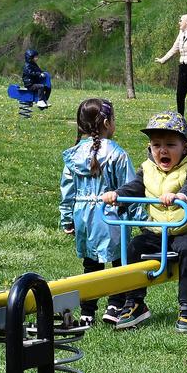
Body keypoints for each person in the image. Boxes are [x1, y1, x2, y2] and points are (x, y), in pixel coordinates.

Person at [103, 112, 187, 333]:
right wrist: (118, 196)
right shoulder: (147, 169)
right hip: (159, 229)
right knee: (134, 248)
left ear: (185, 146)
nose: (162, 150)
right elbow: (136, 186)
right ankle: (134, 302)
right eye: (156, 145)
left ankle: (186, 309)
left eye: (170, 144)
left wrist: (182, 196)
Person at [59, 97, 134, 327]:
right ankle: (114, 304)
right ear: (106, 122)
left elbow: (67, 190)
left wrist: (67, 218)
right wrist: (138, 218)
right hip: (110, 215)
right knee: (118, 261)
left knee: (91, 264)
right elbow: (129, 187)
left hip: (83, 216)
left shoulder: (74, 156)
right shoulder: (117, 153)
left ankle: (87, 311)